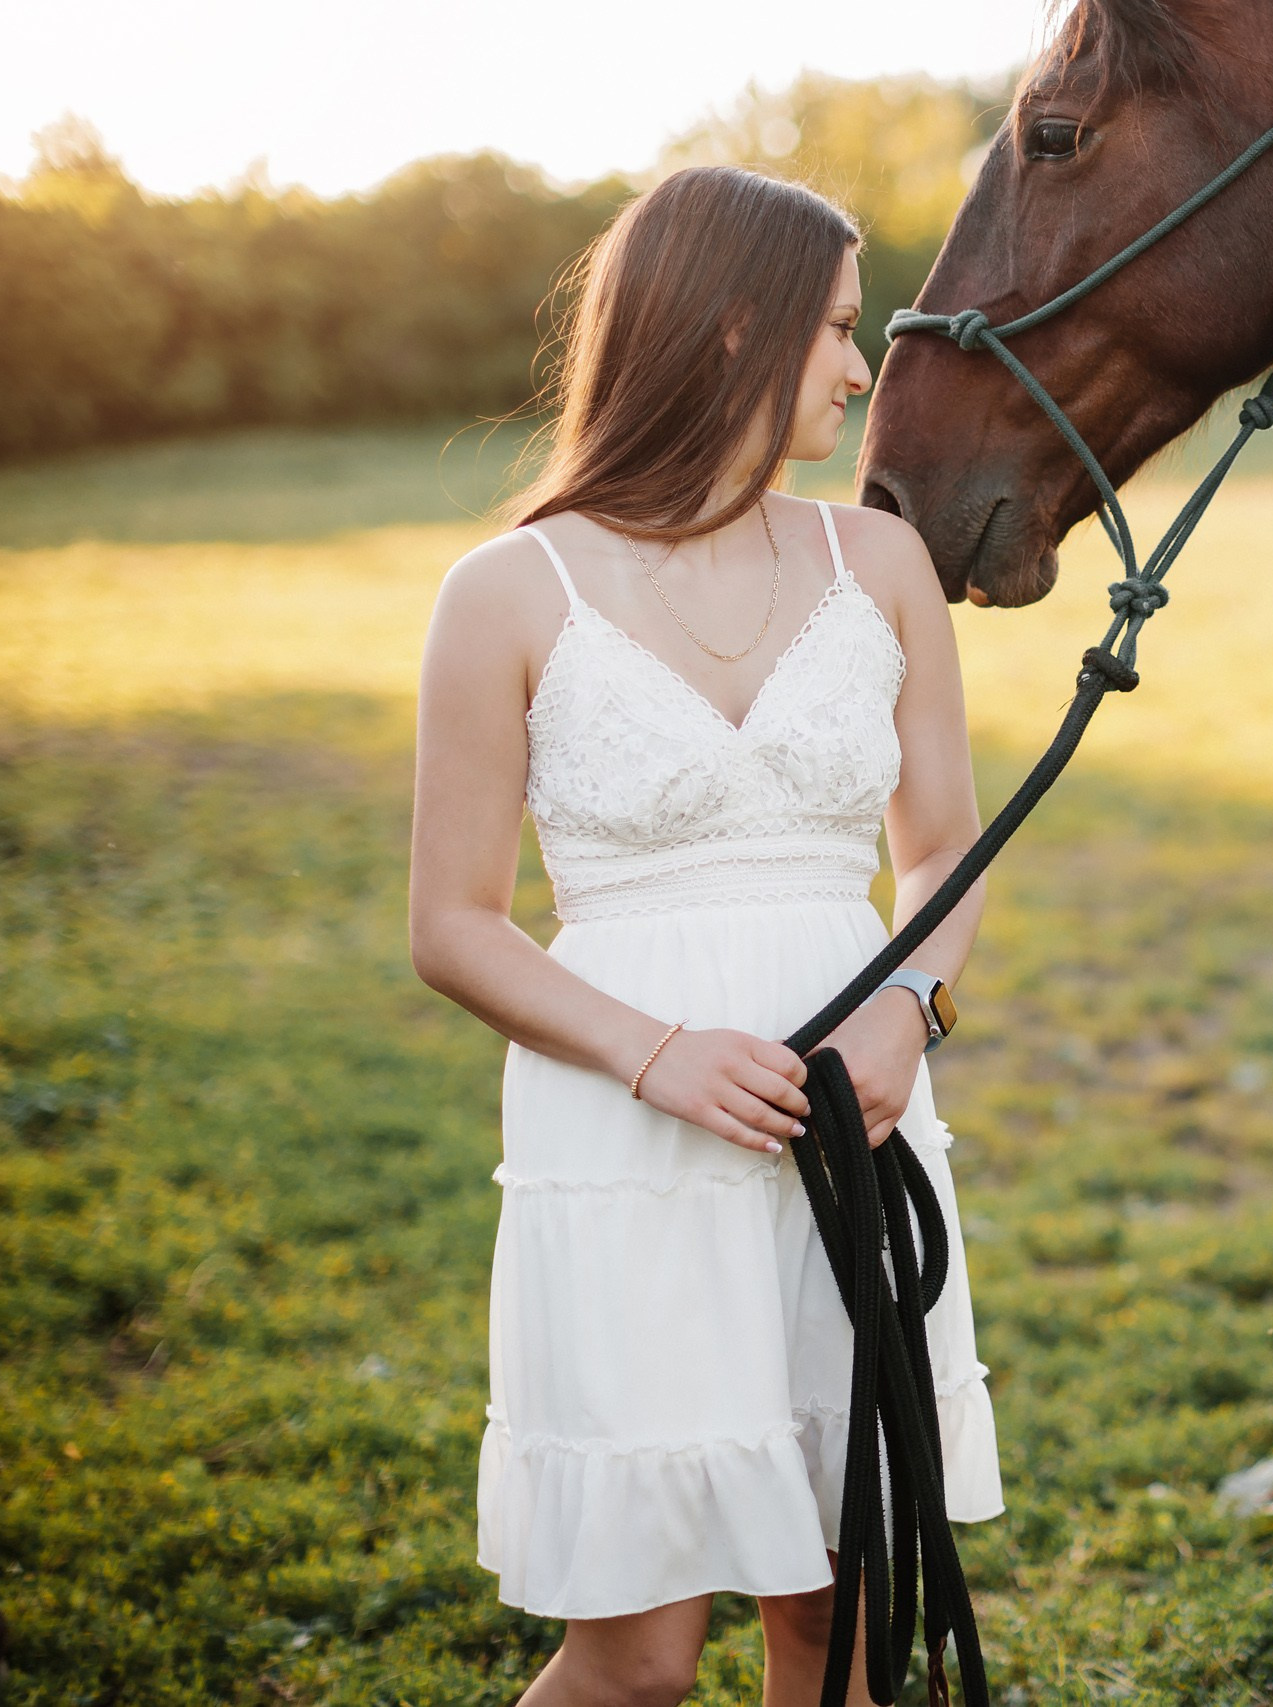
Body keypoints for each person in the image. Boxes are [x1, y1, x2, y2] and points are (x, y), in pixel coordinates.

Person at [408, 165, 1000, 1707]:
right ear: (738, 326)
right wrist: (653, 1054)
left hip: (854, 1127)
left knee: (841, 1614)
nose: (862, 370)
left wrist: (909, 1009)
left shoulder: (879, 564)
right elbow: (452, 924)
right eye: (841, 329)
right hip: (631, 1146)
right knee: (637, 1662)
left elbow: (943, 849)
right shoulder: (507, 591)